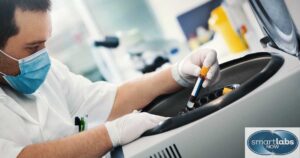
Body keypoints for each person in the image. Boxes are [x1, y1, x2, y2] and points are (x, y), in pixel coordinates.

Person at [0, 0, 220, 157]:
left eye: (45, 43)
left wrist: (178, 73)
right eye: (33, 48)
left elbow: (112, 100)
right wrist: (110, 134)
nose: (43, 56)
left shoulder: (49, 72)